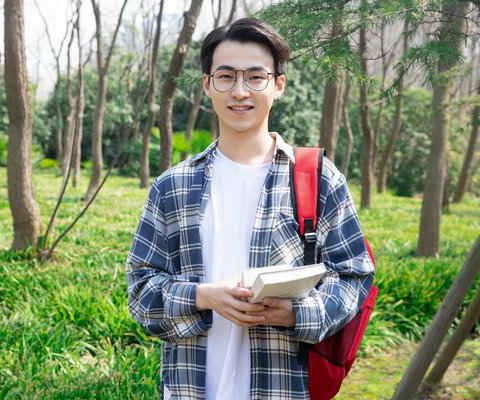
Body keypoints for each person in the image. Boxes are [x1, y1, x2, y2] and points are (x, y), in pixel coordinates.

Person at [126, 17, 375, 400]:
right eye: (226, 76)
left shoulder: (318, 178)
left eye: (255, 77)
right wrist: (202, 297)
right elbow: (141, 292)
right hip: (190, 388)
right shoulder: (172, 186)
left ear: (278, 85)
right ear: (207, 85)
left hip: (283, 388)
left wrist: (296, 314)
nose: (240, 91)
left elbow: (354, 277)